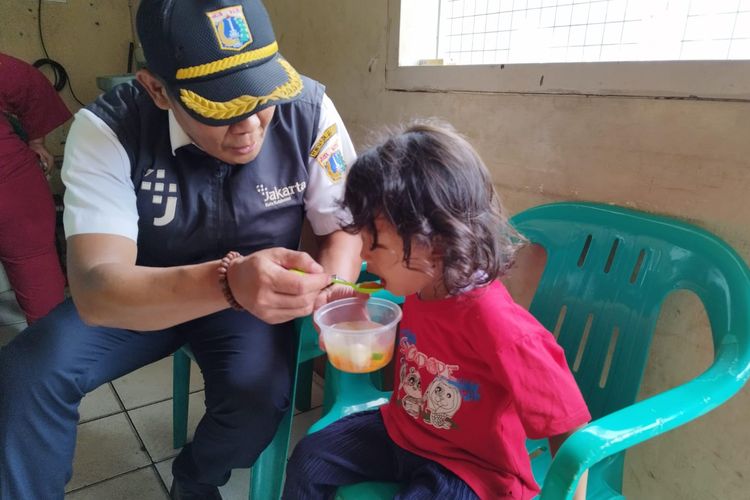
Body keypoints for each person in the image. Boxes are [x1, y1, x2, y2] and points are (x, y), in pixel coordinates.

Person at [0, 0, 362, 498]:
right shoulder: (109, 129)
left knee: (257, 397)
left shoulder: (309, 110)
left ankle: (196, 478)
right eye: (222, 108)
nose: (251, 126)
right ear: (156, 89)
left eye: (262, 98)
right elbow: (96, 288)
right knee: (27, 375)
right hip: (140, 293)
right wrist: (226, 282)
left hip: (249, 305)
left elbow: (343, 226)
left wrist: (335, 293)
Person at [283, 122, 592, 499]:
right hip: (402, 430)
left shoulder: (499, 326)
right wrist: (356, 322)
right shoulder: (418, 284)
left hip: (470, 468)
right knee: (309, 459)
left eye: (374, 244)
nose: (362, 255)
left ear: (438, 244)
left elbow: (570, 431)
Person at [0, 52, 70, 325]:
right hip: (14, 184)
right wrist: (37, 142)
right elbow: (32, 86)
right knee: (37, 272)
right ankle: (52, 353)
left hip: (12, 182)